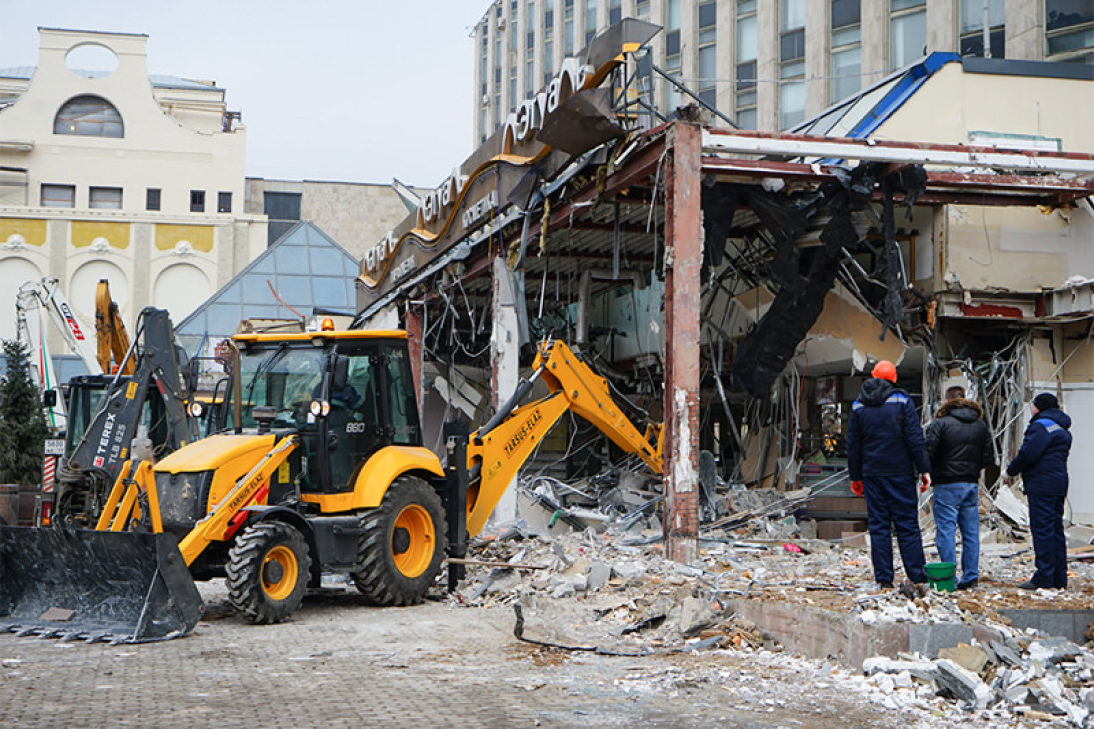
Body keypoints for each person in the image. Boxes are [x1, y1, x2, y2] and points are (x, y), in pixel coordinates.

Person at [846, 360, 932, 593]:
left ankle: (884, 579)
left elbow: (853, 445)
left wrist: (856, 477)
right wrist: (924, 469)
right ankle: (917, 576)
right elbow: (915, 438)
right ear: (893, 379)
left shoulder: (858, 406)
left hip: (872, 474)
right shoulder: (902, 401)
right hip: (901, 473)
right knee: (907, 526)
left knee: (879, 527)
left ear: (872, 377)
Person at [925, 385, 993, 590]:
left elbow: (927, 453)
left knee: (946, 532)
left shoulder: (940, 424)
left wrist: (929, 472)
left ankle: (949, 579)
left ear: (946, 401)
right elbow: (988, 458)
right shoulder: (981, 426)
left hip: (946, 483)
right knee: (971, 532)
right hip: (971, 483)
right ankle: (971, 576)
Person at [1005, 392, 1073, 590]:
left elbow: (1028, 454)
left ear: (1039, 407)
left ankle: (1043, 577)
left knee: (1042, 530)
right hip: (1058, 483)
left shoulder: (1041, 426)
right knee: (1055, 531)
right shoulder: (1062, 428)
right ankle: (1059, 578)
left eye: (1034, 405)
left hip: (1042, 484)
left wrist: (1010, 471)